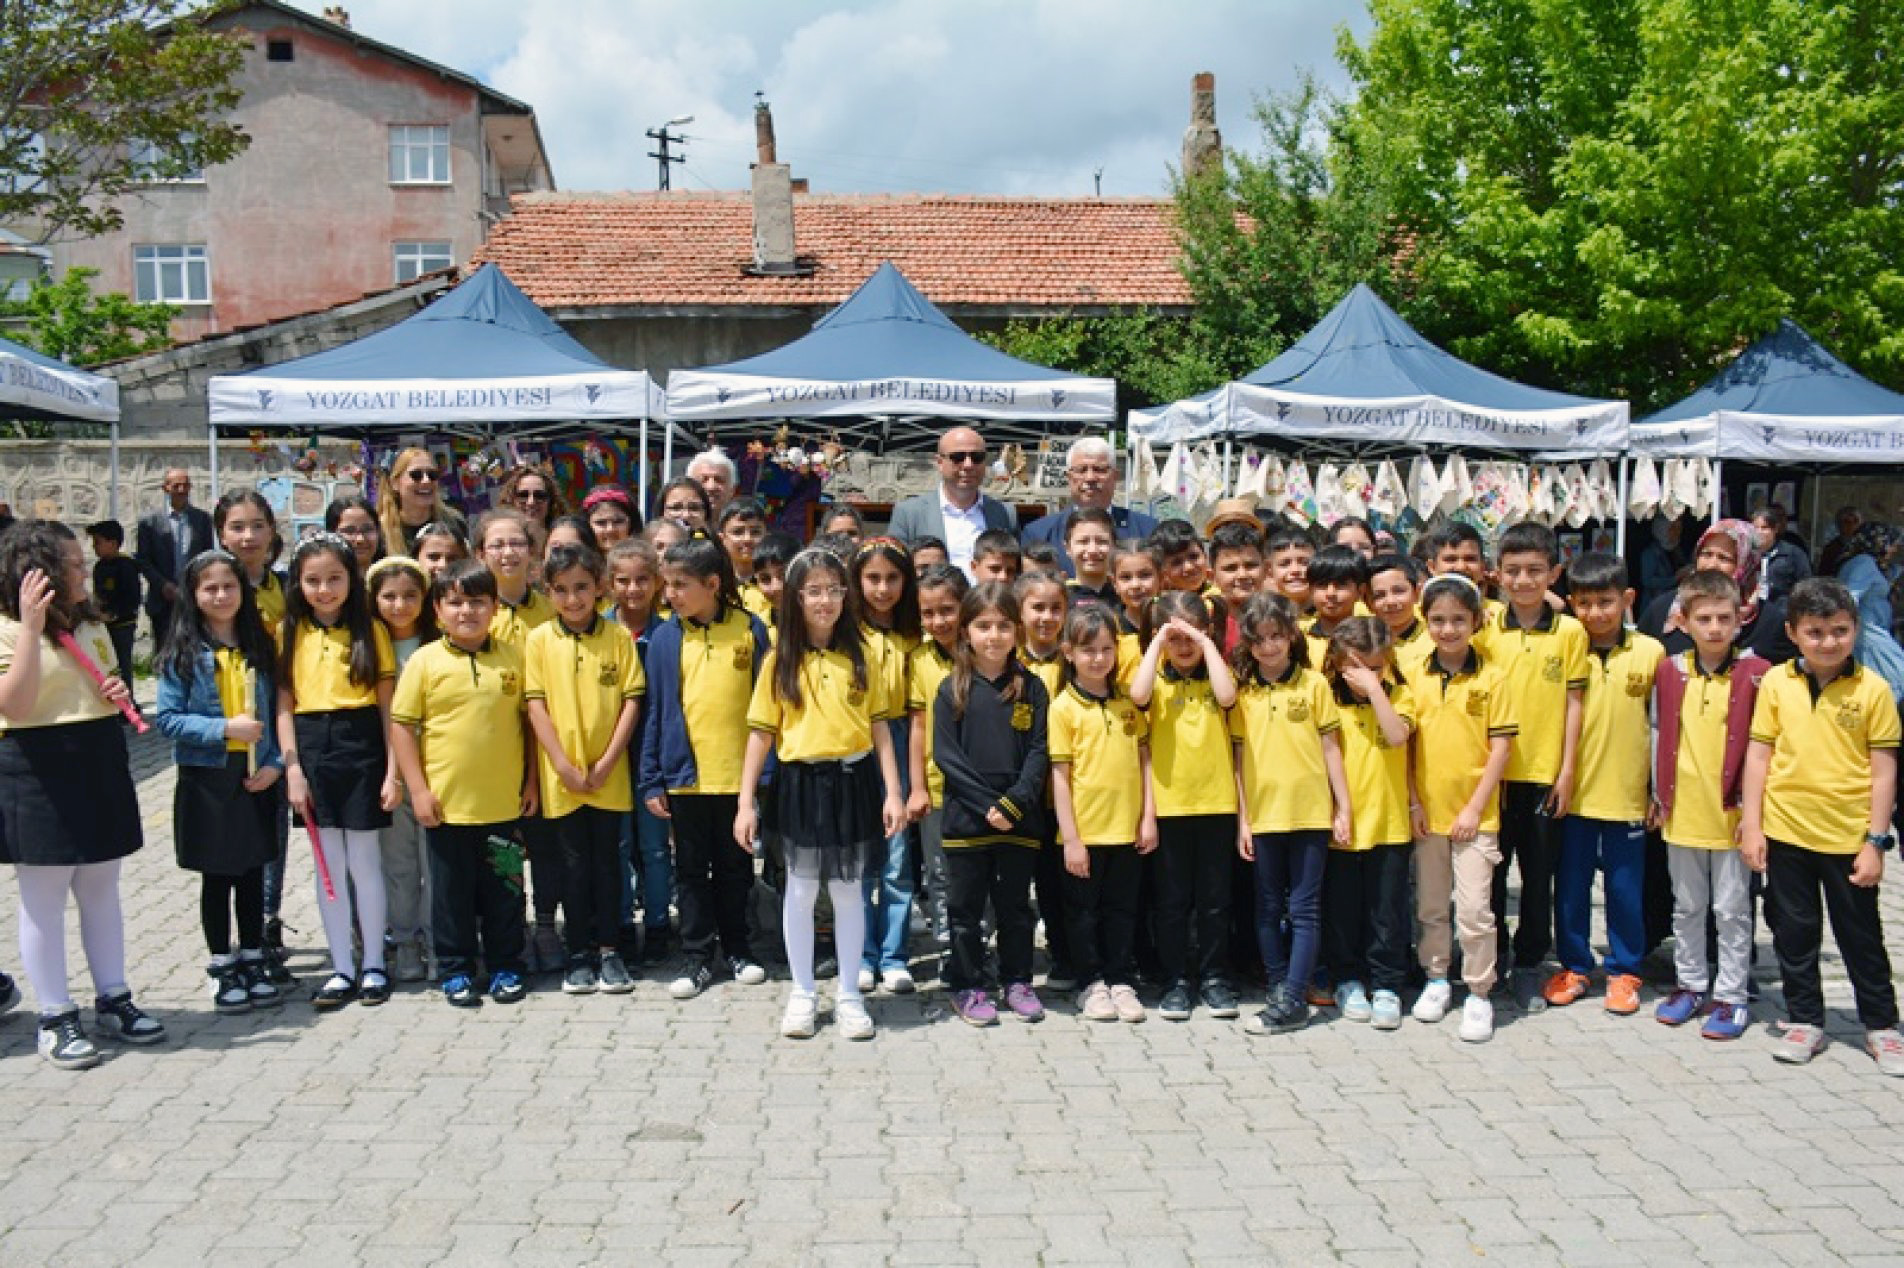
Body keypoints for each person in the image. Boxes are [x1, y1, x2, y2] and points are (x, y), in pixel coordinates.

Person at [0, 520, 163, 1068]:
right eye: (71, 565)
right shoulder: (5, 628)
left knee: (101, 887)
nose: (84, 572)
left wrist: (114, 692)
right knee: (44, 896)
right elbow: (15, 704)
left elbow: (104, 683)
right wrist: (30, 629)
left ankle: (114, 998)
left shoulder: (89, 623)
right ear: (38, 573)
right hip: (35, 765)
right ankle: (55, 1016)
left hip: (96, 755)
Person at [735, 548, 906, 1042]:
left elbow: (880, 729)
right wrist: (745, 803)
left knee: (850, 889)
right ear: (796, 598)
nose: (825, 600)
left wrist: (893, 792)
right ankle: (803, 992)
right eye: (813, 591)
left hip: (854, 781)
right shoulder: (778, 661)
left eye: (834, 589)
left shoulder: (862, 656)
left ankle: (850, 995)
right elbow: (760, 734)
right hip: (800, 784)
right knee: (802, 889)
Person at [1742, 577, 1904, 1073]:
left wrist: (1875, 841)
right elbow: (1758, 755)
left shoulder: (1874, 690)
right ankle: (1805, 1019)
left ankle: (1881, 1025)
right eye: (1815, 631)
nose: (1828, 642)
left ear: (1855, 629)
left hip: (1848, 837)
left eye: (1839, 630)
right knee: (1794, 932)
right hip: (1786, 832)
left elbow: (1884, 772)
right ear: (1793, 632)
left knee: (1861, 935)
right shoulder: (1775, 682)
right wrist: (1753, 824)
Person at [389, 559, 536, 1007]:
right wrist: (417, 790)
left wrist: (531, 782)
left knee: (506, 891)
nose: (466, 612)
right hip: (447, 808)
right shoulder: (424, 661)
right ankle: (455, 969)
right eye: (454, 603)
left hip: (504, 805)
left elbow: (529, 726)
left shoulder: (513, 657)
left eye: (477, 602)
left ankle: (506, 965)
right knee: (451, 895)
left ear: (494, 608)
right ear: (437, 610)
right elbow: (402, 727)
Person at [640, 538, 771, 999]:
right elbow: (655, 711)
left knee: (736, 869)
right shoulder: (664, 638)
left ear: (713, 584)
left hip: (738, 780)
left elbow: (768, 707)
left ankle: (738, 949)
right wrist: (652, 778)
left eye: (681, 585)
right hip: (685, 779)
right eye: (667, 584)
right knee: (691, 871)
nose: (670, 594)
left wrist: (765, 776)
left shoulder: (750, 629)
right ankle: (696, 955)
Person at [155, 549, 285, 1014]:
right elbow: (168, 718)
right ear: (193, 595)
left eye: (229, 586)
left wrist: (275, 763)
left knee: (252, 870)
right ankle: (221, 964)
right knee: (218, 875)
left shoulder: (259, 645)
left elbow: (276, 712)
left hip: (256, 773)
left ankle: (252, 955)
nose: (221, 595)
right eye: (209, 588)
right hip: (208, 777)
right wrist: (225, 728)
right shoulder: (183, 653)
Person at [274, 534, 399, 1010]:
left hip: (362, 745)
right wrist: (292, 767)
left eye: (334, 579)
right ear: (298, 584)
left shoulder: (372, 630)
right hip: (312, 749)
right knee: (327, 862)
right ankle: (341, 967)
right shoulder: (288, 631)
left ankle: (374, 964)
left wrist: (392, 770)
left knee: (364, 861)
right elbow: (283, 706)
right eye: (313, 581)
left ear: (352, 579)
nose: (324, 590)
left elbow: (387, 707)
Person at [1650, 569, 1767, 1040]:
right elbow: (1656, 732)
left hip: (1733, 815)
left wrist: (1756, 815)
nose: (1715, 628)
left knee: (1732, 909)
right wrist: (1656, 793)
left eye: (1724, 618)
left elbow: (1766, 750)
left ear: (1741, 619)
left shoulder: (1757, 674)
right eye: (1704, 619)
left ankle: (1732, 994)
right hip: (1682, 811)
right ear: (1683, 621)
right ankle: (1691, 984)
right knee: (1688, 906)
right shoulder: (1669, 671)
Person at [1545, 554, 1664, 1015]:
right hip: (1572, 795)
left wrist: (1657, 790)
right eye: (1585, 603)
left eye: (1606, 602)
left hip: (1628, 794)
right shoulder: (1565, 647)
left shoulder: (1650, 652)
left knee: (1624, 890)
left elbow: (1662, 726)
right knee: (1571, 888)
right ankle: (1575, 965)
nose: (1595, 613)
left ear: (1627, 599)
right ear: (1571, 603)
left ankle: (1624, 970)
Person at [525, 543, 645, 996]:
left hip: (608, 775)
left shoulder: (618, 638)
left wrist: (609, 759)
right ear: (548, 592)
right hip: (562, 777)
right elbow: (534, 704)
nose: (572, 599)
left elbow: (631, 700)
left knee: (608, 863)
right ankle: (578, 953)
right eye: (561, 590)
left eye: (581, 587)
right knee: (572, 866)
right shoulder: (539, 640)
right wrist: (560, 762)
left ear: (599, 587)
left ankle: (610, 950)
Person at [1228, 593, 1348, 1035]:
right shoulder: (1243, 693)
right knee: (1267, 907)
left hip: (1310, 813)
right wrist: (1243, 819)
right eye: (1259, 639)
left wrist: (1342, 806)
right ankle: (1280, 988)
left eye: (1276, 636)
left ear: (1292, 636)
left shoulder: (1313, 685)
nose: (1269, 647)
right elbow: (1239, 761)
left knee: (1304, 908)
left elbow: (1332, 749)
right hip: (1263, 815)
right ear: (1248, 643)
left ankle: (1295, 995)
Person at [934, 581, 1051, 1025]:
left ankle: (1017, 980)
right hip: (967, 820)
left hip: (1020, 821)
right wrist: (989, 806)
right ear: (966, 631)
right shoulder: (951, 689)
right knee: (965, 911)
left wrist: (1015, 803)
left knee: (1015, 909)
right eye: (983, 626)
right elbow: (947, 757)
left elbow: (1039, 751)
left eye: (1003, 626)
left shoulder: (1032, 689)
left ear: (1017, 631)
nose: (993, 636)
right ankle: (968, 985)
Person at [1484, 521, 1588, 1014]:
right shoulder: (1485, 628)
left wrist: (1566, 770)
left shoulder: (1570, 632)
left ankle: (1529, 964)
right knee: (1490, 874)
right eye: (1513, 571)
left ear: (1554, 573)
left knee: (1538, 875)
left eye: (1534, 570)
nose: (1523, 580)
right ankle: (1491, 959)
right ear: (1497, 574)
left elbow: (1574, 704)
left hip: (1545, 774)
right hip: (1494, 778)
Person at [1407, 574, 1515, 1043]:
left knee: (1474, 910)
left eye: (1458, 620)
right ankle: (1436, 978)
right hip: (1427, 814)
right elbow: (1407, 746)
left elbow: (1501, 749)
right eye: (1438, 620)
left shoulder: (1494, 677)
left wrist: (1474, 808)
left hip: (1477, 817)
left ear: (1476, 622)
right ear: (1425, 621)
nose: (1448, 629)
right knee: (1431, 905)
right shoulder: (1414, 673)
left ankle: (1478, 991)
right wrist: (1413, 801)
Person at [1129, 590, 1239, 1023]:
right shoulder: (1155, 678)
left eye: (1191, 636)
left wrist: (1208, 643)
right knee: (1172, 903)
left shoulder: (1218, 674)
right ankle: (1175, 979)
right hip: (1169, 808)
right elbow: (1137, 695)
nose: (1183, 646)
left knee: (1215, 901)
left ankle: (1214, 977)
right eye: (1174, 638)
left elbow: (1227, 697)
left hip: (1217, 805)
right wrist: (1157, 642)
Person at [1048, 603, 1155, 1024]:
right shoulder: (1063, 708)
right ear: (1069, 653)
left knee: (1122, 909)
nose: (1098, 658)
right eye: (1088, 650)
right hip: (1085, 833)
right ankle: (1090, 982)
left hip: (1127, 829)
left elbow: (1144, 762)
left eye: (1106, 649)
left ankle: (1120, 978)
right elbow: (1060, 778)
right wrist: (1072, 839)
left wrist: (1147, 817)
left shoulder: (1129, 700)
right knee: (1082, 913)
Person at [1320, 617, 1415, 1032]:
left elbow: (1397, 736)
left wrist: (1377, 690)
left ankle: (1388, 984)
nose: (1364, 676)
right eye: (1355, 667)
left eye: (1375, 667)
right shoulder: (1326, 696)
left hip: (1389, 821)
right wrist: (1336, 810)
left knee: (1387, 909)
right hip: (1340, 821)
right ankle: (1347, 978)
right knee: (1342, 908)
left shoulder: (1400, 694)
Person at [851, 538, 922, 994]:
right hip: (856, 742)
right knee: (860, 859)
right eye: (873, 578)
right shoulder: (847, 632)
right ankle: (860, 954)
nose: (882, 588)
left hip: (900, 737)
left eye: (892, 578)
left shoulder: (914, 634)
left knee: (897, 858)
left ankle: (894, 955)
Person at [367, 556, 437, 983]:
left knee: (435, 864)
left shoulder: (437, 645)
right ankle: (406, 942)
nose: (400, 605)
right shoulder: (366, 647)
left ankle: (435, 941)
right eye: (389, 596)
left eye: (410, 595)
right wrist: (390, 773)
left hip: (436, 771)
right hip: (389, 774)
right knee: (399, 865)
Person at [1014, 571, 1072, 990]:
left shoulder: (1074, 659)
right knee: (1018, 880)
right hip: (1021, 791)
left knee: (1058, 881)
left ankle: (1064, 953)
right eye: (1037, 608)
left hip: (1063, 793)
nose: (1047, 617)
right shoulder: (1009, 661)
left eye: (1055, 608)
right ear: (1019, 612)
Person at [907, 565, 969, 947]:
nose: (938, 621)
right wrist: (918, 787)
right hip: (936, 783)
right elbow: (917, 727)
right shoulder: (919, 660)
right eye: (928, 613)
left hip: (981, 786)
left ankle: (979, 939)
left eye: (947, 610)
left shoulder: (984, 653)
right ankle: (948, 942)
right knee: (939, 869)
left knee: (977, 869)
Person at [1638, 520, 1796, 664]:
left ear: (1747, 564)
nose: (1712, 564)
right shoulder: (1661, 611)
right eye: (1706, 554)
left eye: (1724, 558)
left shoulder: (1769, 623)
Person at [888, 427, 1019, 576]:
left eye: (977, 457)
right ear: (939, 462)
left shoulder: (1005, 513)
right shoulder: (909, 513)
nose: (968, 465)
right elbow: (895, 569)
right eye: (958, 457)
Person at [1018, 436, 1159, 574]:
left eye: (1099, 469)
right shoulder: (1039, 533)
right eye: (1081, 470)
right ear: (1069, 478)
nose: (1090, 478)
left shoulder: (1147, 530)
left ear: (1115, 477)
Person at [136, 467, 214, 653]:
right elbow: (143, 560)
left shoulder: (202, 520)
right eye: (176, 486)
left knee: (195, 650)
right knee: (165, 651)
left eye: (186, 485)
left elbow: (207, 557)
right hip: (162, 600)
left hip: (193, 597)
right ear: (165, 488)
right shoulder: (149, 522)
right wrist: (163, 585)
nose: (181, 490)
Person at [214, 491, 286, 636]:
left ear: (271, 532)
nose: (249, 536)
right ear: (222, 536)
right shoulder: (213, 590)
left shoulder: (288, 586)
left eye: (258, 526)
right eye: (237, 528)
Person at [377, 447, 466, 558]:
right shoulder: (380, 531)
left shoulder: (454, 522)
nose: (426, 480)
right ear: (395, 483)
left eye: (432, 475)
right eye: (416, 475)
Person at [86, 519, 141, 690]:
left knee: (122, 663)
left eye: (98, 542)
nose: (94, 547)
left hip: (123, 624)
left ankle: (128, 698)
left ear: (113, 543)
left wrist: (114, 615)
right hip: (104, 624)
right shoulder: (99, 567)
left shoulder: (126, 566)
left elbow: (132, 599)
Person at [1752, 504, 1811, 605]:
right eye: (1755, 528)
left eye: (1764, 528)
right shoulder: (1748, 554)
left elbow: (1806, 585)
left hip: (1783, 608)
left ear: (1775, 529)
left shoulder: (1792, 553)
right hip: (1755, 609)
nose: (1759, 532)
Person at [1062, 508, 1118, 608]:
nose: (1093, 550)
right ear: (1067, 548)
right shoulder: (1061, 597)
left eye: (1102, 541)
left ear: (1114, 546)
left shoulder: (1125, 595)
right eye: (1083, 541)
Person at [495, 463, 568, 539]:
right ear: (511, 500)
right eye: (523, 495)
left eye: (539, 495)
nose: (531, 502)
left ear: (551, 502)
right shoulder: (499, 541)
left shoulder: (564, 540)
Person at [325, 494, 385, 575]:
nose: (360, 539)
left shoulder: (394, 577)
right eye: (349, 531)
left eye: (367, 530)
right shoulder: (322, 580)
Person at [686, 448, 738, 518]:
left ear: (732, 490)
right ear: (688, 488)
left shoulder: (743, 524)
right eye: (703, 480)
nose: (711, 487)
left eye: (719, 480)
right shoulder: (675, 524)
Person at [1818, 506, 1865, 578]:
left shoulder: (1866, 547)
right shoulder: (1831, 549)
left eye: (1855, 521)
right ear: (1839, 525)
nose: (1851, 526)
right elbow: (1823, 576)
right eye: (1846, 522)